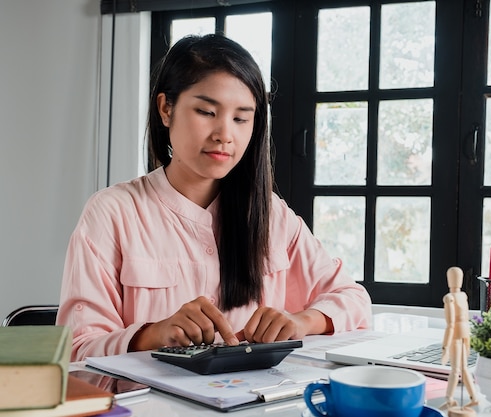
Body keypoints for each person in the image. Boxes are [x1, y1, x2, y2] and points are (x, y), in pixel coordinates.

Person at [56, 34, 372, 362]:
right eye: (207, 112)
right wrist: (152, 334)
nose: (224, 134)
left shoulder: (272, 216)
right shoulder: (112, 213)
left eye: (240, 118)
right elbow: (76, 350)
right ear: (166, 109)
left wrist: (301, 321)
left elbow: (353, 300)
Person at [441, 266, 478, 411]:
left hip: (456, 336)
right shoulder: (463, 296)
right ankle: (474, 397)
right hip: (465, 333)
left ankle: (449, 399)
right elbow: (466, 318)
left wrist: (445, 346)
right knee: (464, 369)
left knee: (455, 370)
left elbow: (450, 325)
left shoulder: (449, 298)